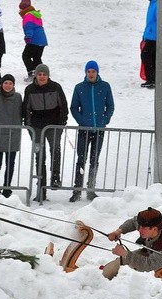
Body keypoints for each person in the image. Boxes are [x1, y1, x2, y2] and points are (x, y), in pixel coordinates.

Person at [108, 207, 162, 286]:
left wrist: (125, 253)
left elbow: (150, 265)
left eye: (143, 228)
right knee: (118, 263)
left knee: (132, 266)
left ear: (154, 229)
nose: (139, 230)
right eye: (139, 226)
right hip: (152, 253)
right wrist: (118, 231)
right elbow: (134, 222)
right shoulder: (147, 223)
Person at [69, 60, 115, 202]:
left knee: (94, 160)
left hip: (99, 129)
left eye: (93, 71)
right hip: (84, 130)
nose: (91, 74)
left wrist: (104, 120)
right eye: (88, 71)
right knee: (81, 159)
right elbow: (74, 108)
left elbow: (110, 106)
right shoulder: (79, 87)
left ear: (97, 72)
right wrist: (83, 122)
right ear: (85, 73)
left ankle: (91, 189)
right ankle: (77, 190)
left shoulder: (105, 86)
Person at [23, 63, 69, 202]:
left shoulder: (55, 87)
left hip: (53, 125)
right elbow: (26, 108)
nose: (42, 77)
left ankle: (55, 178)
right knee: (39, 156)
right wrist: (29, 124)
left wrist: (61, 123)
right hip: (36, 127)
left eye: (44, 74)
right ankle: (41, 189)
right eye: (39, 74)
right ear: (36, 75)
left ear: (48, 75)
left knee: (55, 149)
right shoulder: (30, 89)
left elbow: (63, 106)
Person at [0, 73, 23, 198]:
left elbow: (21, 113)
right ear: (1, 84)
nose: (8, 85)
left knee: (10, 163)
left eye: (10, 83)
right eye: (6, 83)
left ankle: (7, 187)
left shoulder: (18, 97)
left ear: (13, 85)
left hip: (13, 134)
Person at [18, 0, 48, 83]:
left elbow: (29, 26)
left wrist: (28, 36)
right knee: (37, 57)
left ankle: (32, 73)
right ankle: (43, 73)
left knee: (26, 56)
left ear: (24, 9)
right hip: (42, 40)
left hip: (34, 39)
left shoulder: (28, 15)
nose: (19, 11)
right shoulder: (36, 14)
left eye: (20, 9)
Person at [140, 0, 158, 89]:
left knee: (145, 55)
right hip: (151, 35)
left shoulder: (157, 4)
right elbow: (150, 22)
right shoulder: (153, 3)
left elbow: (160, 21)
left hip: (154, 36)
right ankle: (154, 79)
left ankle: (151, 79)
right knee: (152, 56)